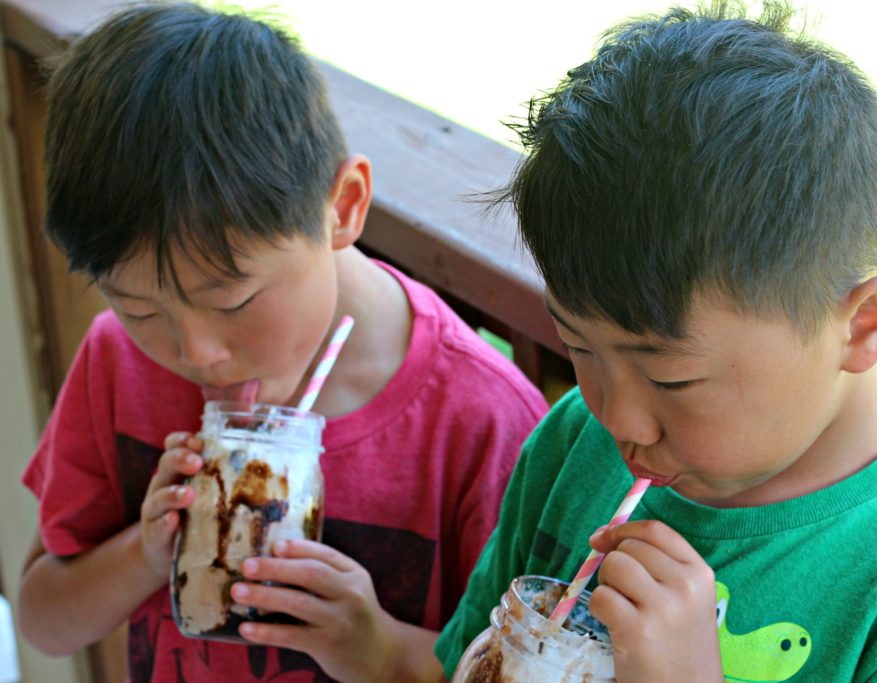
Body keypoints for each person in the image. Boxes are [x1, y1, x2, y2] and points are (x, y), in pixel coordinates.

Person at [435, 3, 877, 680]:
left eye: (671, 379)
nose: (617, 418)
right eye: (580, 348)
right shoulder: (574, 444)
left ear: (864, 325)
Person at [17, 3, 547, 682]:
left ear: (344, 206)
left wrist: (378, 646)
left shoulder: (481, 420)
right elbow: (40, 617)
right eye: (138, 306)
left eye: (232, 300)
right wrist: (143, 555)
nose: (197, 352)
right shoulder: (116, 359)